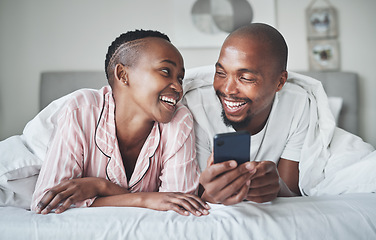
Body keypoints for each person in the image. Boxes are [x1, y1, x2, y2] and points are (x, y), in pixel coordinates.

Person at [31, 30, 210, 217]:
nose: (178, 88)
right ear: (123, 74)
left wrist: (100, 187)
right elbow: (46, 203)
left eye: (180, 78)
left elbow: (179, 206)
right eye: (166, 71)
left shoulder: (179, 120)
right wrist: (147, 200)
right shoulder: (81, 110)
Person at [183, 23, 308, 205]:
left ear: (279, 82)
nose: (227, 89)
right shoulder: (196, 107)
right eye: (220, 73)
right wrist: (210, 195)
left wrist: (277, 187)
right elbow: (195, 200)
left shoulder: (297, 104)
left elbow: (292, 195)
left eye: (246, 78)